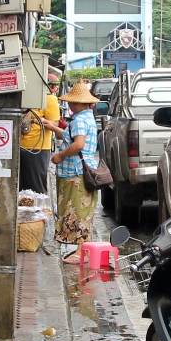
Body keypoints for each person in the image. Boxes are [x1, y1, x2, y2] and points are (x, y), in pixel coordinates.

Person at [51, 80, 101, 245]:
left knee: (78, 212)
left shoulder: (79, 120)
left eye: (72, 101)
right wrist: (51, 127)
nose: (70, 104)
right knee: (83, 211)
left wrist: (60, 156)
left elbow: (78, 144)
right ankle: (82, 250)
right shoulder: (86, 117)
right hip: (82, 170)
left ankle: (82, 251)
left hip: (76, 172)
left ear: (80, 103)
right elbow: (69, 136)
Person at [19, 94, 61, 195]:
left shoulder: (48, 98)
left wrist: (41, 121)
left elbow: (55, 123)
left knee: (35, 186)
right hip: (18, 145)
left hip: (37, 147)